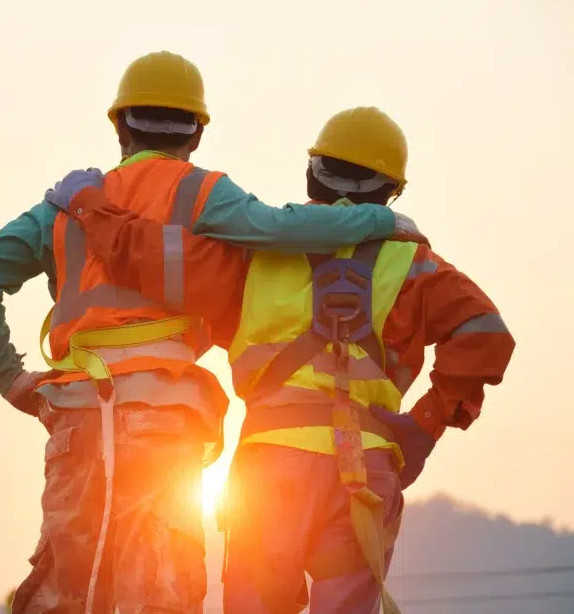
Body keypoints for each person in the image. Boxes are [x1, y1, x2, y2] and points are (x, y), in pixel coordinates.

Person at [0, 52, 426, 614]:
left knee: (70, 584)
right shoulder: (204, 194)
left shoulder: (66, 208)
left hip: (77, 410)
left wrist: (11, 378)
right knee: (162, 590)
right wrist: (380, 220)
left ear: (119, 124)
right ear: (197, 133)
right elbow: (282, 228)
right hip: (164, 414)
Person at [42, 106, 516, 614]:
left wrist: (90, 204)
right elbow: (486, 334)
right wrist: (423, 427)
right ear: (390, 193)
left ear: (312, 175)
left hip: (269, 473)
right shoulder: (418, 266)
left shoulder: (252, 256)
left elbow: (147, 256)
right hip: (363, 474)